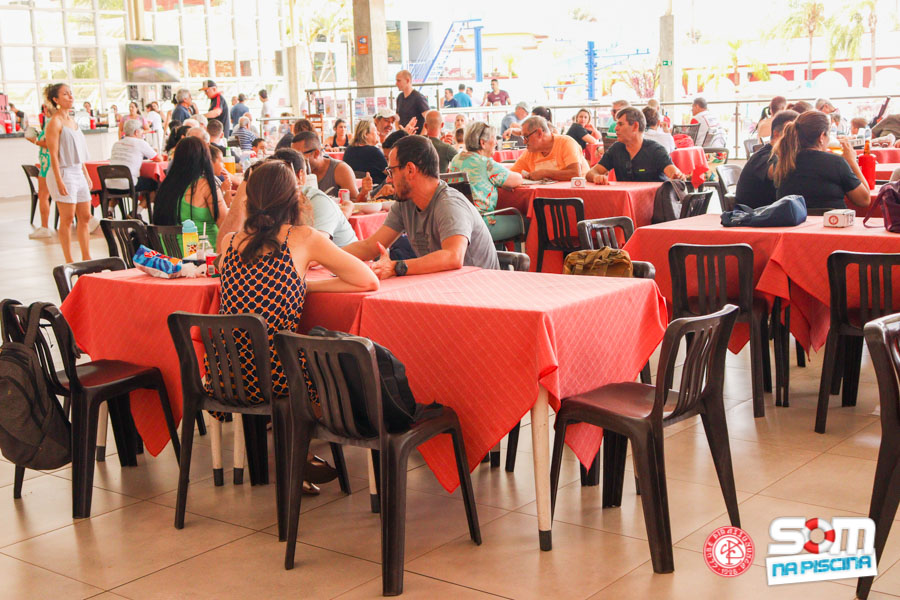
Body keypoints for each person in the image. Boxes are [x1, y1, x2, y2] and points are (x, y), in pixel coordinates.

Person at [215, 160, 378, 494]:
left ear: (249, 199)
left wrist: (301, 285)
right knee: (334, 365)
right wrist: (305, 285)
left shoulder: (229, 242)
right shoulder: (302, 237)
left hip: (226, 375)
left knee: (288, 355)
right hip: (279, 376)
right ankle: (301, 449)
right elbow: (367, 280)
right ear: (295, 198)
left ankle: (296, 453)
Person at [342, 135, 500, 277]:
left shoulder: (449, 203)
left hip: (481, 290)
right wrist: (329, 256)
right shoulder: (405, 204)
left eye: (391, 171)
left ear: (410, 170)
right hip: (445, 286)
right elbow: (370, 247)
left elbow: (453, 257)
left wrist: (396, 267)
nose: (389, 180)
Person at [771, 110, 870, 211]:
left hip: (793, 220)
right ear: (822, 136)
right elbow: (864, 200)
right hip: (831, 220)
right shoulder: (835, 163)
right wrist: (852, 162)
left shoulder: (782, 162)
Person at [43, 83, 97, 263]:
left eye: (71, 93)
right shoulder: (55, 122)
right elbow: (53, 154)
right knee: (66, 218)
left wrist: (86, 174)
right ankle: (69, 260)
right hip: (64, 173)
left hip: (77, 171)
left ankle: (86, 256)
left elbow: (78, 153)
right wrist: (59, 181)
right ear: (56, 99)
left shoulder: (73, 122)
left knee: (85, 216)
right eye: (65, 94)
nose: (70, 96)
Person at [449, 122, 524, 243]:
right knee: (527, 221)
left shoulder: (456, 159)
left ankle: (496, 255)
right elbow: (517, 180)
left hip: (460, 223)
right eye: (494, 138)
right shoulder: (486, 163)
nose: (496, 142)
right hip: (483, 224)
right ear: (483, 143)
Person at [271, 148, 357, 247]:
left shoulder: (317, 201)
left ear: (300, 176)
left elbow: (313, 247)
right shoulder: (272, 201)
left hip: (339, 255)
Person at [153, 136, 228, 248]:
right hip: (202, 252)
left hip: (170, 253)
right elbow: (226, 225)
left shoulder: (166, 186)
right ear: (205, 158)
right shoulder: (205, 185)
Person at [587, 107, 684, 184]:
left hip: (654, 201)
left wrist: (677, 176)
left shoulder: (656, 150)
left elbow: (672, 172)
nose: (616, 128)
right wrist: (596, 177)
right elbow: (591, 173)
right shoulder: (616, 149)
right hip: (625, 200)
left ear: (635, 126)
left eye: (620, 124)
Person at [735, 109, 799, 209]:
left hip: (769, 213)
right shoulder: (763, 157)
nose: (797, 140)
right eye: (790, 133)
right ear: (776, 134)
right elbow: (777, 172)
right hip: (754, 215)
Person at [291, 130, 368, 200]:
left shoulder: (340, 170)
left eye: (299, 155)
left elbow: (355, 202)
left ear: (316, 153)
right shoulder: (294, 171)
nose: (295, 160)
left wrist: (363, 193)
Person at [509, 116, 588, 181]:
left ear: (539, 133)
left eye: (526, 137)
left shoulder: (566, 143)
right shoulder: (530, 152)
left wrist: (544, 173)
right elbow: (511, 174)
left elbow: (575, 173)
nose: (524, 142)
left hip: (577, 192)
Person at [107, 119, 162, 198]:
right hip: (128, 185)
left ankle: (110, 206)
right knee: (156, 184)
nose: (142, 134)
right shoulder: (140, 143)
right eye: (141, 131)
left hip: (109, 185)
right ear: (136, 132)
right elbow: (159, 159)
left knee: (122, 182)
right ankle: (140, 206)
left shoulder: (116, 144)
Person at [26, 100, 55, 239]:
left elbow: (50, 144)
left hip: (48, 163)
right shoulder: (51, 122)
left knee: (43, 195)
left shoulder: (51, 123)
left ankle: (45, 227)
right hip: (47, 162)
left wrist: (34, 141)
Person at [342, 119, 388, 184]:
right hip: (376, 187)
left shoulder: (348, 150)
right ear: (366, 134)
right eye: (375, 130)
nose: (378, 133)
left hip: (354, 187)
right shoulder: (374, 152)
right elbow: (389, 172)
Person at [395, 70, 429, 134]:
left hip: (416, 136)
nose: (396, 83)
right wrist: (399, 132)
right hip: (404, 136)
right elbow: (397, 118)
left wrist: (422, 136)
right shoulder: (400, 97)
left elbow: (428, 119)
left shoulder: (419, 98)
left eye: (399, 81)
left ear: (407, 81)